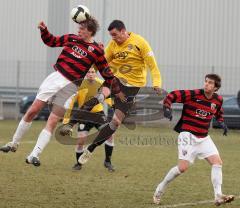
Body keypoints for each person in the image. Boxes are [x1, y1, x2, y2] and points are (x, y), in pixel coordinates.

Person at [0, 17, 120, 167]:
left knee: (52, 120)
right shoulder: (71, 38)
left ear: (90, 31)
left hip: (70, 87)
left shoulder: (97, 51)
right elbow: (51, 41)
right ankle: (14, 143)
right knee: (33, 111)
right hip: (55, 79)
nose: (78, 30)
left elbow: (107, 75)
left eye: (82, 28)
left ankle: (34, 154)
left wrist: (111, 89)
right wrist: (44, 30)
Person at [60, 19, 162, 166]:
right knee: (98, 97)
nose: (113, 38)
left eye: (115, 34)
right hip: (116, 81)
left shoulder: (140, 43)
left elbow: (153, 67)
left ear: (123, 31)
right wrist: (83, 75)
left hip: (132, 88)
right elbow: (100, 62)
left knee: (115, 123)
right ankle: (70, 125)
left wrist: (157, 84)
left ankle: (91, 148)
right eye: (111, 35)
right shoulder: (112, 46)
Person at [153, 74, 234, 206]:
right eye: (206, 81)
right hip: (187, 135)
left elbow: (218, 112)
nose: (206, 84)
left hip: (203, 137)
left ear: (216, 87)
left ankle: (218, 196)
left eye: (210, 83)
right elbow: (172, 95)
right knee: (182, 168)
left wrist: (222, 122)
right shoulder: (194, 94)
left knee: (217, 162)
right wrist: (167, 108)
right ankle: (160, 188)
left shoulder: (218, 100)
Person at [63, 68, 115, 171]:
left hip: (98, 114)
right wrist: (66, 122)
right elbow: (72, 102)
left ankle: (107, 161)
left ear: (96, 74)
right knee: (81, 140)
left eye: (93, 72)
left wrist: (113, 105)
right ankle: (78, 164)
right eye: (89, 72)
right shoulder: (79, 85)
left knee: (109, 135)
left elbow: (108, 96)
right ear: (86, 74)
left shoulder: (101, 83)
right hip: (84, 115)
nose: (91, 74)